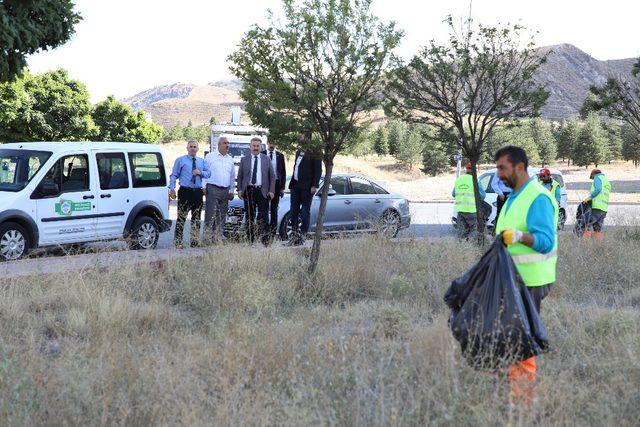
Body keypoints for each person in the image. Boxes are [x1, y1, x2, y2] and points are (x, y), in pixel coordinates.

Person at [493, 146, 558, 406]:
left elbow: (545, 241)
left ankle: (521, 403)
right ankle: (515, 391)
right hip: (513, 280)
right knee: (510, 337)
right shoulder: (514, 196)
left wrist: (519, 236)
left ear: (519, 167)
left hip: (531, 281)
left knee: (521, 341)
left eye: (502, 168)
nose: (498, 174)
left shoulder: (537, 197)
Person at [169, 140, 211, 248]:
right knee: (181, 217)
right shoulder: (181, 160)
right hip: (185, 191)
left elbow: (209, 173)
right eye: (191, 146)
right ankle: (178, 243)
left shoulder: (202, 161)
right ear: (187, 148)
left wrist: (200, 172)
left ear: (197, 149)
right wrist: (172, 188)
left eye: (195, 147)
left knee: (196, 218)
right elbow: (174, 175)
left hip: (197, 192)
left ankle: (195, 242)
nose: (193, 148)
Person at [237, 137, 275, 245]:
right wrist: (239, 190)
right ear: (250, 146)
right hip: (249, 191)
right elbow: (240, 176)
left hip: (263, 191)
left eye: (258, 146)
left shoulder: (266, 159)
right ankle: (250, 241)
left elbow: (272, 176)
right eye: (254, 146)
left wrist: (271, 191)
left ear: (261, 147)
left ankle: (265, 242)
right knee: (249, 217)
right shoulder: (244, 159)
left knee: (264, 217)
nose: (256, 148)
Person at [286, 137, 322, 246]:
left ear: (307, 136)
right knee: (293, 211)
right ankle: (294, 235)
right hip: (295, 185)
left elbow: (318, 170)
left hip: (307, 187)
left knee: (305, 212)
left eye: (301, 135)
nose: (299, 136)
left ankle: (302, 236)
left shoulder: (315, 152)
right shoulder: (299, 151)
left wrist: (314, 185)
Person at [202, 136, 235, 244]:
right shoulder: (210, 157)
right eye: (225, 143)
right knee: (210, 213)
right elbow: (204, 172)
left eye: (228, 143)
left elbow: (232, 176)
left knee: (222, 214)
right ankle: (207, 237)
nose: (227, 145)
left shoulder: (230, 159)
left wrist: (231, 190)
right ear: (219, 144)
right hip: (212, 188)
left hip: (225, 190)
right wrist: (203, 186)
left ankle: (218, 236)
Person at [452, 163, 485, 240]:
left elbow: (453, 194)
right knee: (473, 230)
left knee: (462, 232)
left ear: (466, 169)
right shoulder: (475, 180)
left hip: (460, 210)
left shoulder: (459, 180)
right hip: (471, 210)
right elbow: (483, 196)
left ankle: (461, 248)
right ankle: (471, 248)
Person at [262, 141, 286, 241]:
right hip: (264, 184)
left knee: (274, 209)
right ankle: (264, 231)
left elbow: (283, 172)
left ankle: (272, 233)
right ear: (267, 143)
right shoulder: (262, 154)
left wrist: (282, 187)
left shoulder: (280, 155)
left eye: (274, 143)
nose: (272, 145)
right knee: (264, 209)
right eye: (270, 143)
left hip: (276, 184)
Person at [583, 169, 611, 239]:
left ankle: (585, 245)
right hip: (604, 209)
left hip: (596, 207)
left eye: (592, 177)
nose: (593, 179)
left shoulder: (597, 178)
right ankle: (598, 246)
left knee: (587, 224)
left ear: (593, 174)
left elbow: (598, 189)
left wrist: (589, 198)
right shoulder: (606, 181)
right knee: (597, 228)